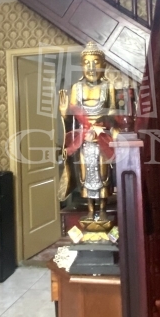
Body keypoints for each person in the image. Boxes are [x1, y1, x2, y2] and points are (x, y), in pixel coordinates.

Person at [58, 41, 119, 222]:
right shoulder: (77, 88)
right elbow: (71, 117)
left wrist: (100, 123)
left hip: (101, 136)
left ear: (103, 65)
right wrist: (64, 112)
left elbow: (113, 111)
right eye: (87, 63)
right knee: (86, 174)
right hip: (83, 139)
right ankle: (91, 211)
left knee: (103, 174)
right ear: (81, 66)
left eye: (96, 62)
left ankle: (103, 209)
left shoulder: (108, 86)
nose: (91, 68)